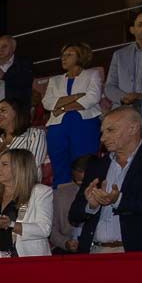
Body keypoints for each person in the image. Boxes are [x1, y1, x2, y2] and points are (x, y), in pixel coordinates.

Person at [69, 106, 142, 253]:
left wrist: (119, 200)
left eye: (110, 130)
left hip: (137, 254)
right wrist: (91, 206)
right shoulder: (97, 166)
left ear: (133, 128)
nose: (103, 138)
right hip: (94, 252)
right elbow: (74, 215)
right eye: (102, 132)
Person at [0, 148, 54, 258]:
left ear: (20, 168)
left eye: (4, 164)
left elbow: (44, 229)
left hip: (27, 262)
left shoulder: (40, 192)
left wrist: (10, 225)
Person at [42, 42, 104, 185]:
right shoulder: (54, 80)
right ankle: (63, 198)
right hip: (57, 126)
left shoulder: (92, 74)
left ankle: (87, 199)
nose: (64, 58)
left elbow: (92, 98)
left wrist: (62, 108)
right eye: (63, 55)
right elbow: (47, 103)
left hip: (85, 124)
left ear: (80, 56)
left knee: (85, 166)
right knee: (60, 165)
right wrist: (76, 96)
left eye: (69, 55)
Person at [0, 99, 49, 201]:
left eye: (3, 111)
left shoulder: (34, 135)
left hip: (20, 198)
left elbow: (31, 165)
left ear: (17, 112)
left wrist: (4, 150)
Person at [105, 7, 142, 139]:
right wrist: (124, 98)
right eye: (140, 24)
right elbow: (109, 86)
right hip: (124, 113)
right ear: (132, 29)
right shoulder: (119, 55)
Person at [0, 35, 35, 130]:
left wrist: (5, 76)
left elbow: (27, 82)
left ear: (13, 48)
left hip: (17, 117)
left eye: (4, 46)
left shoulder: (23, 63)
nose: (0, 50)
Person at [50, 154, 91, 254]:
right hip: (67, 248)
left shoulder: (106, 193)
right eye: (76, 181)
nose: (80, 185)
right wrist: (65, 243)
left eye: (84, 182)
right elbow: (52, 229)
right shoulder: (59, 194)